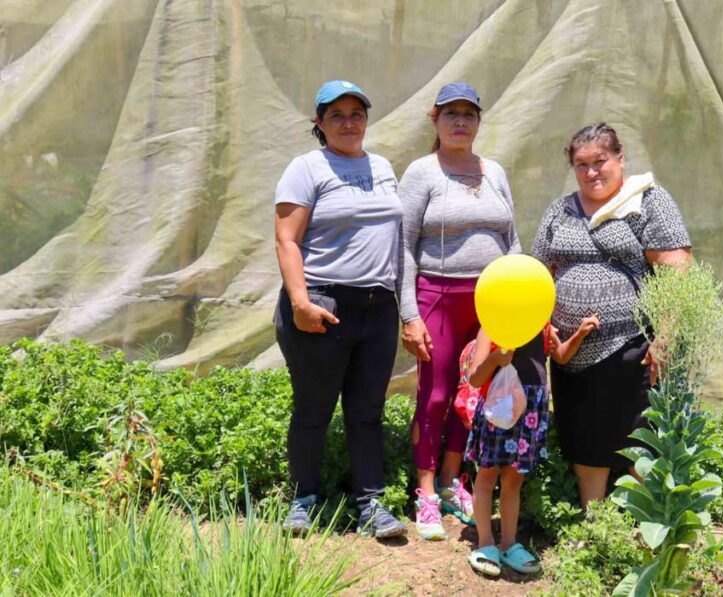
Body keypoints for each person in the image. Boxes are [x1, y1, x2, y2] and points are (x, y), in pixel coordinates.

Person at [531, 122, 692, 508]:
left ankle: (641, 517)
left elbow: (677, 268)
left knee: (637, 432)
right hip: (570, 351)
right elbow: (538, 270)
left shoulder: (647, 201)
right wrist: (544, 324)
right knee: (584, 432)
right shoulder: (561, 210)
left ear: (620, 158)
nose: (591, 172)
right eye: (582, 164)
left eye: (600, 161)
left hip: (632, 344)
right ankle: (595, 520)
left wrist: (667, 333)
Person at [274, 80, 406, 539]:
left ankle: (371, 504)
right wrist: (300, 303)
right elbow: (287, 239)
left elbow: (395, 240)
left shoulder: (382, 167)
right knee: (313, 408)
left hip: (378, 307)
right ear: (319, 122)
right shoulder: (306, 168)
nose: (349, 123)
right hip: (323, 303)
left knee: (367, 411)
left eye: (356, 114)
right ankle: (302, 500)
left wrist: (405, 309)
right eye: (337, 115)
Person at [398, 82, 522, 540]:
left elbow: (512, 241)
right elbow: (402, 247)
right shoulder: (421, 173)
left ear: (478, 121)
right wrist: (409, 314)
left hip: (490, 300)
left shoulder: (494, 172)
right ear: (434, 119)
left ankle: (453, 481)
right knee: (434, 393)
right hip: (438, 294)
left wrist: (517, 302)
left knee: (473, 394)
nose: (460, 122)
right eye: (450, 113)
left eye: (469, 114)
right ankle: (426, 492)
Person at [463, 317, 597, 576]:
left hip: (530, 412)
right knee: (487, 476)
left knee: (514, 480)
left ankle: (508, 543)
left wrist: (579, 333)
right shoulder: (493, 325)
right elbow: (475, 378)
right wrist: (495, 359)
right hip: (499, 410)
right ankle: (485, 542)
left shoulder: (541, 324)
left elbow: (560, 355)